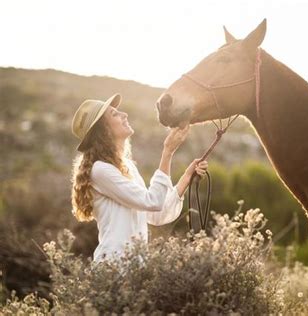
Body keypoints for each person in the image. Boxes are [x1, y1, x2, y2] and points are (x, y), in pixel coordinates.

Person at [70, 93, 207, 263]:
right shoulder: (100, 170)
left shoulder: (127, 166)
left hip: (135, 269)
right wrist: (168, 152)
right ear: (102, 130)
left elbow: (157, 214)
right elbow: (152, 201)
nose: (124, 114)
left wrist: (187, 177)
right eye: (114, 114)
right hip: (113, 268)